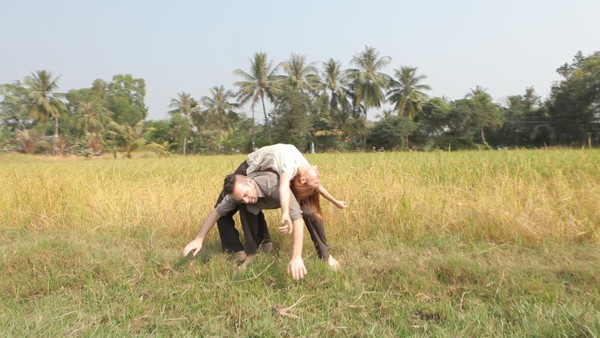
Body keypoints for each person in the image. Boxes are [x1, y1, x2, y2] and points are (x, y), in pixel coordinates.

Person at [214, 143, 347, 266]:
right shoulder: (288, 167)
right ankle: (239, 250)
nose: (317, 170)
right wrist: (285, 213)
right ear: (302, 179)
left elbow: (315, 185)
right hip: (249, 169)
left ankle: (325, 255)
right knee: (239, 204)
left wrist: (335, 201)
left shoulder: (303, 166)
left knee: (308, 210)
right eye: (316, 171)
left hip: (278, 175)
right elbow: (284, 188)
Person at [183, 171, 307, 280]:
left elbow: (297, 218)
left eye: (246, 194)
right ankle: (258, 250)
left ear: (249, 182)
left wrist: (296, 257)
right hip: (262, 191)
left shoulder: (272, 185)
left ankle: (325, 255)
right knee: (246, 207)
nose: (246, 200)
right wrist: (199, 238)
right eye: (241, 199)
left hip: (301, 184)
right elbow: (217, 212)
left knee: (310, 213)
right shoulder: (238, 195)